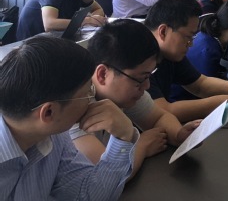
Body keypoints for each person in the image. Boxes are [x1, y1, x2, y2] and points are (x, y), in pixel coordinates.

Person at [0, 36, 137, 200]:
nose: (91, 100)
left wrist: (123, 137)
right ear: (49, 112)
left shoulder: (54, 137)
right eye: (87, 93)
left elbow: (87, 195)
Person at [70, 20, 200, 179]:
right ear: (103, 74)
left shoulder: (125, 91)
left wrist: (179, 135)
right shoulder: (72, 108)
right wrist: (141, 147)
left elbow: (158, 118)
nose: (147, 85)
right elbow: (103, 178)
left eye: (149, 75)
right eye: (141, 78)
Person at [143, 0, 228, 121]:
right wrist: (227, 102)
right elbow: (163, 111)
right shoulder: (139, 58)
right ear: (163, 32)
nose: (191, 44)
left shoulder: (169, 53)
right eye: (188, 37)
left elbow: (200, 84)